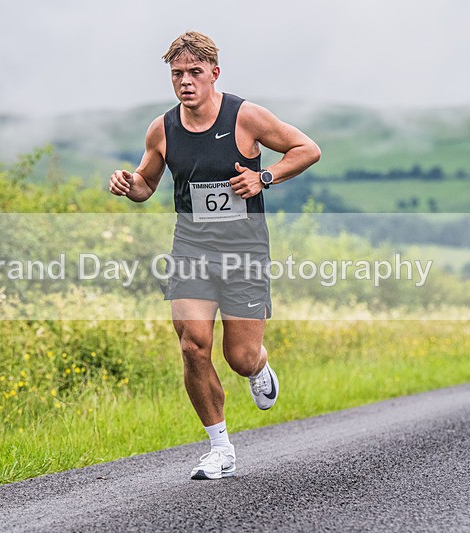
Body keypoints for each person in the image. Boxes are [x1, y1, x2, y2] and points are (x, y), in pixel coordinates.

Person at [109, 31, 320, 480]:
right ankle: (220, 448)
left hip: (244, 251)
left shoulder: (245, 116)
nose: (185, 82)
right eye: (177, 74)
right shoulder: (162, 129)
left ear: (214, 74)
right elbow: (146, 185)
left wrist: (265, 177)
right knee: (192, 345)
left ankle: (258, 365)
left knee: (239, 356)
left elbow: (307, 149)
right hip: (191, 249)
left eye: (194, 73)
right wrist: (131, 186)